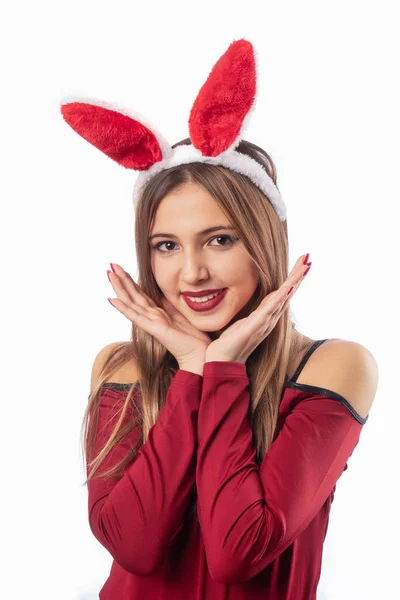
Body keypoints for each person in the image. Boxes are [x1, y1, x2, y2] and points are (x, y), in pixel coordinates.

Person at [61, 39, 378, 599]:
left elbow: (239, 550)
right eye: (165, 246)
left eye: (220, 239)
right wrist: (192, 370)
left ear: (266, 240)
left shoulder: (334, 366)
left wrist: (222, 368)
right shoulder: (122, 366)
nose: (192, 273)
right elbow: (134, 546)